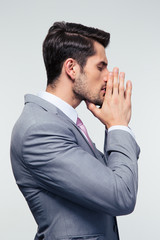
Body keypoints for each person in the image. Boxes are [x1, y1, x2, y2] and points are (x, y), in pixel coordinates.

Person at [10, 21, 140, 240]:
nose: (108, 76)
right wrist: (118, 125)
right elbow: (121, 195)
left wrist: (115, 125)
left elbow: (111, 177)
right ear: (71, 68)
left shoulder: (62, 122)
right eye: (101, 66)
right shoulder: (40, 129)